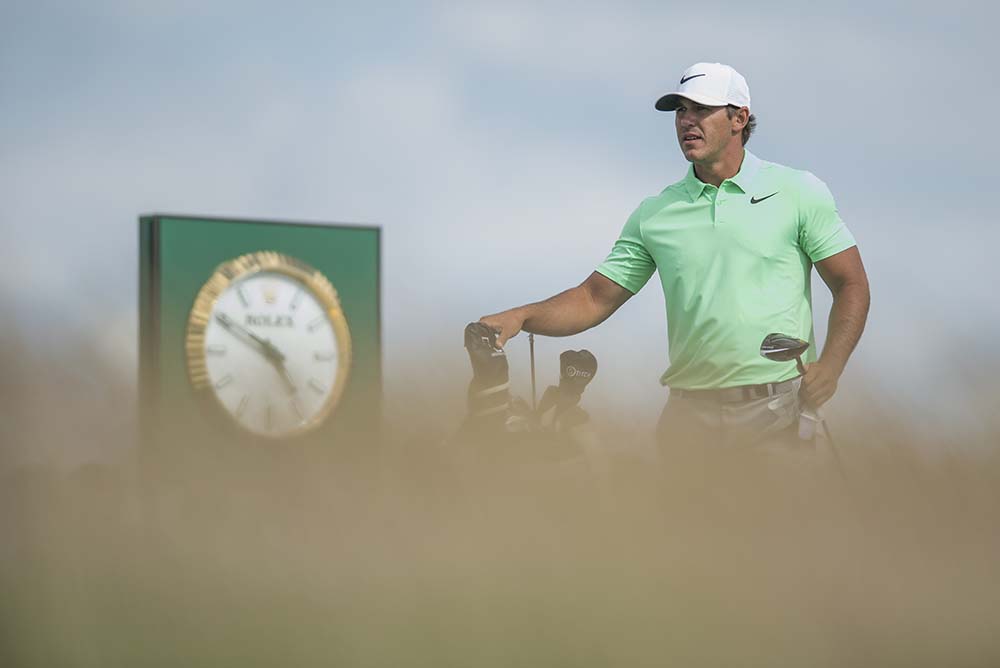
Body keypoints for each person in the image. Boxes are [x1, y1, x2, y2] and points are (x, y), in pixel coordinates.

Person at [479, 62, 870, 458]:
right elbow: (594, 298)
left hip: (778, 411)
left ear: (740, 118)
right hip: (688, 420)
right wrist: (522, 316)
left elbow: (850, 284)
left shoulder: (797, 192)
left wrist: (832, 365)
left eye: (701, 109)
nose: (687, 121)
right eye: (681, 110)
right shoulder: (657, 213)